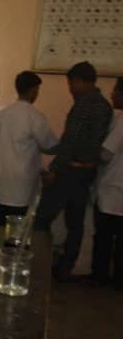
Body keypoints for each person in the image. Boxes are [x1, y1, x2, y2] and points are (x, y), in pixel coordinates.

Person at [34, 61, 113, 282]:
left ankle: (37, 266)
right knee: (75, 224)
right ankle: (64, 269)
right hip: (86, 173)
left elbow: (70, 142)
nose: (70, 89)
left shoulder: (84, 105)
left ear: (78, 81)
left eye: (71, 84)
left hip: (68, 172)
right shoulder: (104, 106)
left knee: (41, 219)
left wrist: (54, 170)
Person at [0, 71, 58, 225]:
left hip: (1, 175)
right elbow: (50, 145)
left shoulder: (2, 114)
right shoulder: (34, 116)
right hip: (23, 181)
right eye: (37, 90)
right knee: (17, 225)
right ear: (33, 90)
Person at [90, 78, 123, 290]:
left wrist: (89, 157)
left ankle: (99, 278)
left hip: (113, 188)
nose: (112, 95)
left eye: (115, 91)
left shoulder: (122, 121)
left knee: (104, 237)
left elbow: (106, 154)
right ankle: (118, 281)